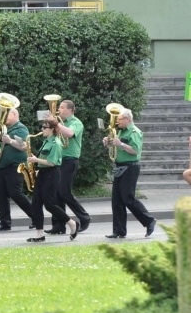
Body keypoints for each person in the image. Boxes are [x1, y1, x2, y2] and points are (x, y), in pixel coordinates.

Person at [102, 109, 157, 238]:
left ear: (127, 119)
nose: (117, 121)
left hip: (130, 167)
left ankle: (149, 220)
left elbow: (135, 151)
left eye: (120, 119)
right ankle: (119, 231)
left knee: (128, 198)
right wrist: (108, 143)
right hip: (120, 166)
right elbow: (116, 147)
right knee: (116, 200)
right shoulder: (120, 131)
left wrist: (120, 144)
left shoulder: (134, 132)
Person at [26, 119, 78, 242]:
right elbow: (44, 158)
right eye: (42, 127)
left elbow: (52, 162)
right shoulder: (46, 141)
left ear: (53, 129)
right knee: (36, 203)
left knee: (49, 204)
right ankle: (39, 234)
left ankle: (71, 223)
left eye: (45, 127)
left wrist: (36, 160)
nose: (42, 129)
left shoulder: (55, 143)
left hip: (52, 173)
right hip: (44, 173)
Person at [46, 100, 92, 235]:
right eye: (59, 107)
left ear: (71, 110)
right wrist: (50, 124)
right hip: (59, 160)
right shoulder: (61, 122)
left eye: (62, 107)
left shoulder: (76, 122)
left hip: (70, 160)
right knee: (56, 194)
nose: (59, 109)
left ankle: (84, 217)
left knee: (64, 192)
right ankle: (59, 225)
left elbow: (70, 134)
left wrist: (56, 123)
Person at [0, 108, 34, 230]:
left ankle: (36, 216)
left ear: (14, 114)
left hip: (15, 166)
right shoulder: (6, 128)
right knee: (1, 194)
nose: (3, 117)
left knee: (15, 193)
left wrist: (10, 140)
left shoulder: (21, 128)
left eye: (6, 115)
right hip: (3, 166)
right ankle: (5, 222)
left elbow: (24, 146)